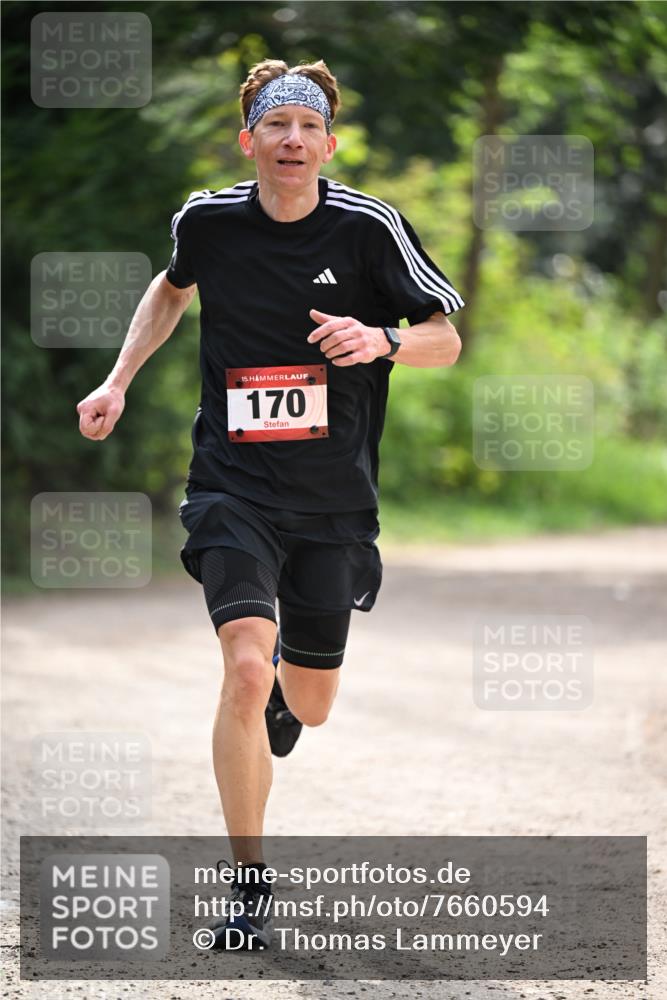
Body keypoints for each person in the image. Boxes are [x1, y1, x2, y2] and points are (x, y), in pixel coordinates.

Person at [76, 57, 464, 950]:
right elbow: (171, 288)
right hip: (232, 483)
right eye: (277, 126)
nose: (293, 139)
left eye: (309, 127)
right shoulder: (208, 222)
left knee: (309, 701)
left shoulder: (368, 228)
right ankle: (248, 887)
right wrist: (117, 380)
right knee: (244, 670)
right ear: (248, 140)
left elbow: (444, 337)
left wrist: (381, 338)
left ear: (329, 144)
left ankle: (291, 696)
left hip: (331, 499)